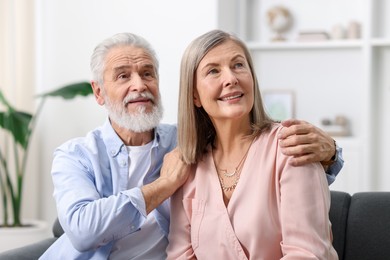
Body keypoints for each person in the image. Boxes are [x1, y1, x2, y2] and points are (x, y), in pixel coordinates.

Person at [40, 32, 342, 259]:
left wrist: (329, 153)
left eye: (147, 73)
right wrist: (165, 184)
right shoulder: (75, 155)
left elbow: (280, 172)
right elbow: (82, 230)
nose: (139, 85)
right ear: (99, 92)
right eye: (123, 76)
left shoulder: (187, 144)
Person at [166, 30, 338, 259]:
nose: (231, 79)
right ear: (194, 96)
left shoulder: (290, 146)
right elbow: (180, 255)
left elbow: (306, 253)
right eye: (214, 71)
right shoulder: (187, 166)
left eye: (238, 65)